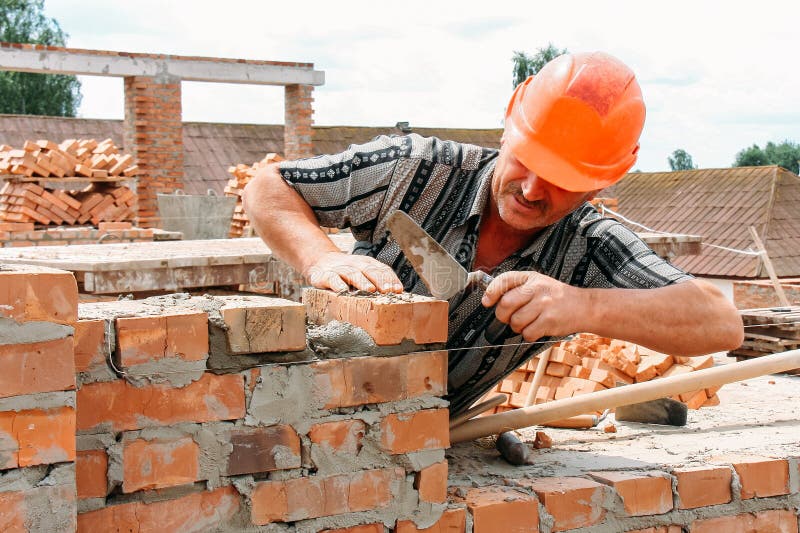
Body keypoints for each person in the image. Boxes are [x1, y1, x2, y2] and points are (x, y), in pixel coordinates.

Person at [243, 51, 744, 416]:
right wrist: (321, 258)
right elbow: (270, 186)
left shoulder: (589, 246)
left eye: (561, 182)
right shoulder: (413, 169)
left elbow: (721, 322)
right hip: (306, 417)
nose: (530, 189)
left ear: (601, 184)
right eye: (527, 161)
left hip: (420, 450)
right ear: (509, 125)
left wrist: (583, 306)